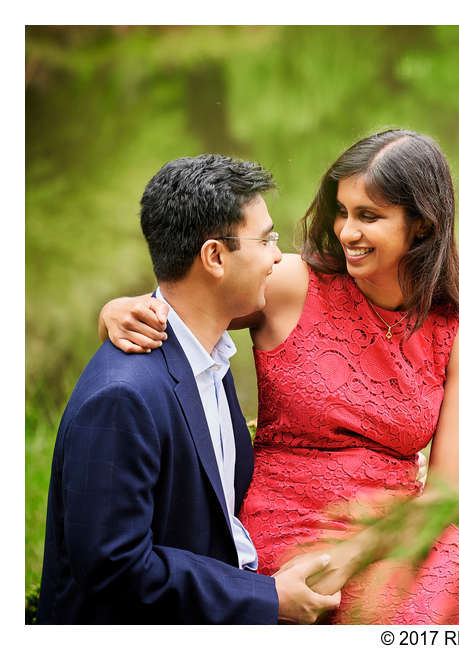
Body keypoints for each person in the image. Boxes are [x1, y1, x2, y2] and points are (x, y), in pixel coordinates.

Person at [99, 130, 459, 624]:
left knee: (456, 616)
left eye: (369, 216)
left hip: (401, 530)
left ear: (421, 225)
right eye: (343, 211)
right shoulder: (291, 282)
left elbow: (441, 496)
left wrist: (354, 557)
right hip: (286, 517)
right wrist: (118, 310)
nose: (347, 231)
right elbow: (187, 302)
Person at [38, 154, 341, 624]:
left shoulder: (206, 354)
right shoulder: (123, 397)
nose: (278, 256)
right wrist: (266, 599)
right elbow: (115, 568)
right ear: (214, 257)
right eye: (266, 239)